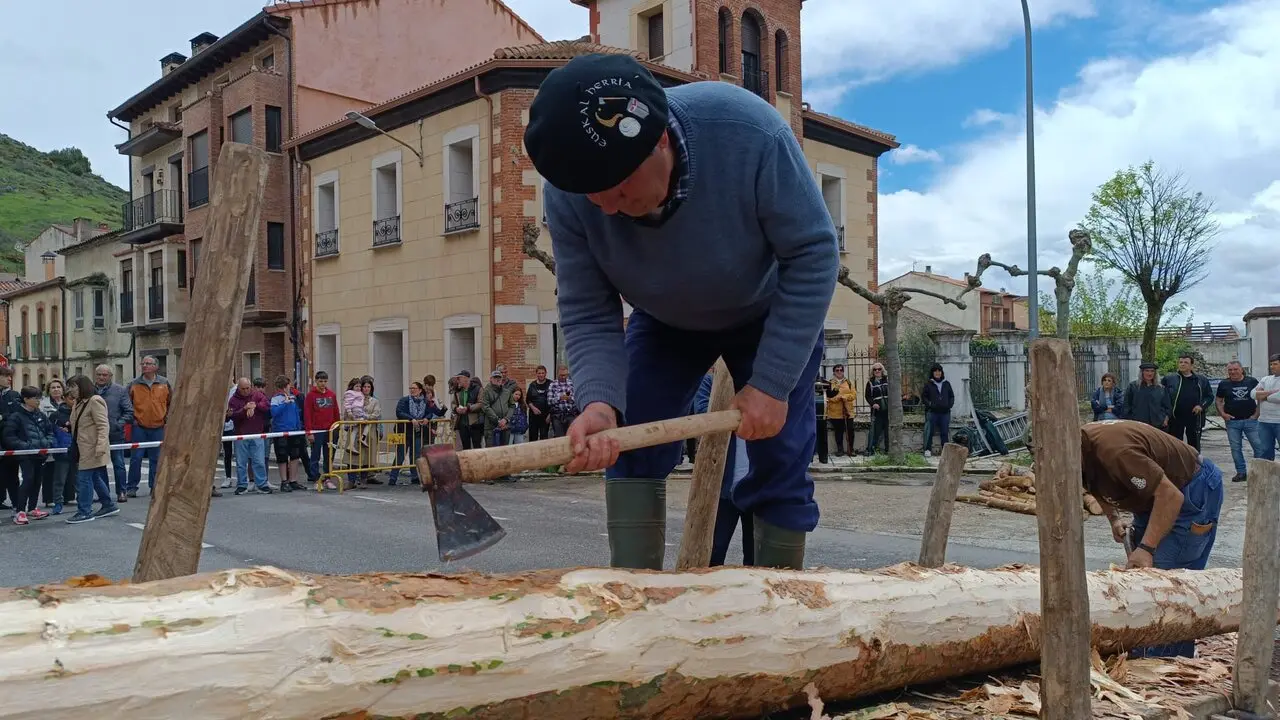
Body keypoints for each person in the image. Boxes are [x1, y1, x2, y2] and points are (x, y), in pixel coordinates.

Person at [525, 54, 836, 570]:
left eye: (619, 189)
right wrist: (599, 403)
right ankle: (636, 605)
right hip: (664, 321)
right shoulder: (573, 189)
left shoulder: (748, 132)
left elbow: (814, 253)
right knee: (627, 445)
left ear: (661, 141)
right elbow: (587, 309)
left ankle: (783, 616)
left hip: (766, 313)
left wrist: (774, 381)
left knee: (780, 459)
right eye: (590, 194)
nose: (603, 207)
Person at [1081, 419, 1223, 658]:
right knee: (1142, 579)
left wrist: (1146, 547)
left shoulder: (1116, 452)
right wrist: (1114, 518)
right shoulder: (1076, 451)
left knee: (1166, 581)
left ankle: (1167, 660)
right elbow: (1094, 483)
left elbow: (1171, 496)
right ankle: (1150, 649)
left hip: (1189, 489)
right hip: (1152, 496)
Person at [64, 375, 120, 525]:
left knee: (84, 479)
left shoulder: (94, 401)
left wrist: (101, 446)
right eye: (69, 387)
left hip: (92, 447)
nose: (71, 390)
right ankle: (108, 504)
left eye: (73, 386)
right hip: (83, 446)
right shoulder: (79, 403)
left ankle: (84, 511)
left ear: (82, 387)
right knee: (94, 477)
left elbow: (103, 425)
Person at [4, 386, 54, 524]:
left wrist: (47, 443)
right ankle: (20, 510)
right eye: (35, 398)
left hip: (40, 453)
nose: (39, 401)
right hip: (25, 454)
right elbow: (9, 436)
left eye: (40, 397)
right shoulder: (16, 416)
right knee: (28, 479)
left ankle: (32, 508)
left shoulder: (41, 415)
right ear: (26, 399)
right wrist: (25, 446)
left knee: (38, 480)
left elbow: (50, 431)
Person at [1215, 360, 1263, 483]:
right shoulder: (1224, 384)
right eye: (1230, 370)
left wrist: (1257, 414)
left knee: (1258, 447)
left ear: (1241, 369)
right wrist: (1223, 414)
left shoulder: (1252, 381)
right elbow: (1219, 400)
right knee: (1236, 448)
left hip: (1251, 421)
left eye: (1235, 369)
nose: (1233, 372)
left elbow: (1260, 398)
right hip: (1232, 422)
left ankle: (1258, 473)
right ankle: (1241, 473)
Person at [1162, 354, 1212, 451]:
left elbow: (1209, 396)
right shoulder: (1169, 379)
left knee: (1194, 446)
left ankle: (1194, 464)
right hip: (1175, 417)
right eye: (1180, 362)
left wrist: (1201, 406)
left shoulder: (1201, 380)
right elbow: (1162, 396)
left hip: (1194, 417)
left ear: (1191, 365)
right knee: (1175, 445)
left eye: (1186, 362)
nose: (1182, 364)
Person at [269, 376, 307, 492]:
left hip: (294, 430)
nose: (290, 387)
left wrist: (299, 427)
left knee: (295, 455)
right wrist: (284, 403)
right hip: (281, 431)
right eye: (288, 385)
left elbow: (296, 414)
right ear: (285, 386)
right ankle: (284, 481)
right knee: (282, 456)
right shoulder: (276, 398)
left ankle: (293, 480)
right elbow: (273, 413)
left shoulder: (293, 397)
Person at [305, 371, 341, 489]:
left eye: (325, 381)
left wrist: (337, 427)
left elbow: (336, 411)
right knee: (315, 455)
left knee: (329, 455)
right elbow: (307, 414)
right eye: (320, 381)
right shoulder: (311, 396)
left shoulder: (331, 395)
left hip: (330, 430)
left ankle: (327, 478)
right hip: (317, 430)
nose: (323, 384)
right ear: (316, 381)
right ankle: (316, 478)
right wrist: (309, 432)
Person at [821, 364, 856, 457]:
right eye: (837, 370)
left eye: (841, 370)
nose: (839, 372)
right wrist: (837, 398)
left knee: (850, 430)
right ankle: (840, 449)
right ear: (834, 372)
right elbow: (828, 397)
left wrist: (845, 397)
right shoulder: (830, 383)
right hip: (835, 412)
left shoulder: (848, 382)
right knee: (839, 431)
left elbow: (853, 395)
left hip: (848, 411)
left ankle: (851, 449)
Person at [1123, 362, 1171, 429]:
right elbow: (1126, 405)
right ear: (1142, 372)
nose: (1149, 373)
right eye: (1147, 371)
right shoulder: (1133, 387)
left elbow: (1167, 406)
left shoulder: (1161, 388)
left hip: (1158, 424)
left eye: (1152, 371)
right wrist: (1130, 420)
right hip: (1138, 424)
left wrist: (1165, 420)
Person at [1251, 354, 1280, 461]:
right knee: (1265, 452)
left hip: (1279, 421)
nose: (1272, 367)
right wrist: (1271, 393)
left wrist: (1263, 396)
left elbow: (1278, 398)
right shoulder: (1266, 379)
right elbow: (1253, 394)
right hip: (1264, 422)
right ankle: (1268, 477)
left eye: (1275, 364)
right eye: (1271, 364)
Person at [921, 364, 954, 455]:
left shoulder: (946, 384)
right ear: (932, 373)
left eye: (939, 371)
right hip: (933, 412)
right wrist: (930, 405)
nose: (937, 373)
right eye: (935, 371)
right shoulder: (928, 384)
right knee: (929, 431)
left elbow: (951, 396)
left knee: (944, 432)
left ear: (941, 372)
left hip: (945, 412)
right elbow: (924, 397)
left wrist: (949, 405)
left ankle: (945, 451)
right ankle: (927, 449)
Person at [864, 363, 890, 455]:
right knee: (875, 431)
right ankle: (872, 449)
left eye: (879, 369)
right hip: (877, 411)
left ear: (882, 370)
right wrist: (873, 404)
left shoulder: (887, 380)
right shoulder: (870, 382)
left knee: (888, 432)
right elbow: (867, 396)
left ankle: (888, 450)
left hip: (888, 411)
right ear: (873, 372)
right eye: (875, 370)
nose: (877, 371)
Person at [525, 366, 553, 442]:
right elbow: (528, 400)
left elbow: (554, 401)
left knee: (544, 438)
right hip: (533, 416)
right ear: (536, 374)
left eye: (542, 373)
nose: (541, 375)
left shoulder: (551, 384)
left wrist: (550, 415)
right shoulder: (532, 385)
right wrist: (533, 408)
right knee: (533, 438)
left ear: (546, 373)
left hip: (545, 416)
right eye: (539, 373)